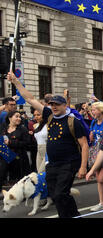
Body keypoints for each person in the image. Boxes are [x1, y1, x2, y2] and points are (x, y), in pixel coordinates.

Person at [7, 71, 89, 218]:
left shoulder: (73, 122)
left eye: (57, 104)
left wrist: (83, 167)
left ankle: (71, 215)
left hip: (69, 163)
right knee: (55, 195)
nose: (54, 107)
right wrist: (15, 82)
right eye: (52, 104)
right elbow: (30, 99)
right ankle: (73, 215)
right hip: (52, 164)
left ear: (65, 105)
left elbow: (84, 145)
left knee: (61, 193)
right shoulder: (49, 116)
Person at [1, 111, 33, 184]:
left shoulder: (23, 129)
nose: (19, 119)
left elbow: (27, 143)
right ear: (10, 118)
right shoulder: (3, 128)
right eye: (16, 116)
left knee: (18, 181)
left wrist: (11, 142)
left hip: (19, 159)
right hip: (5, 158)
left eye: (20, 117)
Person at [88, 101, 103, 212]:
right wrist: (91, 135)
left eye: (94, 109)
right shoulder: (94, 122)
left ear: (100, 110)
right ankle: (102, 202)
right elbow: (92, 134)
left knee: (101, 178)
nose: (92, 112)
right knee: (98, 180)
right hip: (96, 152)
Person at [32, 107, 48, 173]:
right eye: (35, 115)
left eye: (38, 115)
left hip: (47, 150)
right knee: (39, 172)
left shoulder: (48, 125)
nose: (36, 117)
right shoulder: (35, 125)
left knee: (41, 171)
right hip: (39, 150)